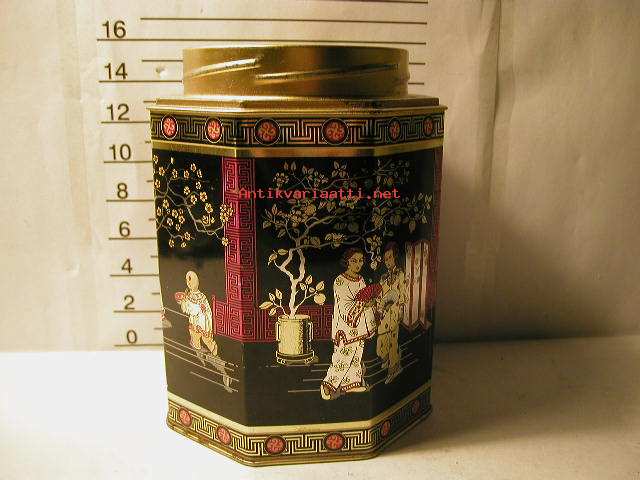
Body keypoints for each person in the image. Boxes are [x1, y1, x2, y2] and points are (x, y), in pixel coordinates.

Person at [321, 248, 379, 400]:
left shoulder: (361, 279)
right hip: (345, 326)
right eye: (354, 261)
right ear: (347, 262)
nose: (357, 264)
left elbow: (364, 297)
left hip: (359, 325)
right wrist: (363, 304)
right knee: (342, 357)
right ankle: (328, 385)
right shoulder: (340, 281)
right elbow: (344, 306)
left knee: (356, 356)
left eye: (360, 261)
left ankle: (351, 383)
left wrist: (369, 304)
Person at [376, 242, 407, 384]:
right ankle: (387, 358)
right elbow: (380, 296)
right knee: (381, 343)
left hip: (394, 312)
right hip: (383, 314)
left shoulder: (400, 274)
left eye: (390, 258)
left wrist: (396, 307)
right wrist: (379, 306)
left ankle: (393, 369)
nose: (387, 261)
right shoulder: (383, 277)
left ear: (395, 257)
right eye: (386, 259)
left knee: (393, 342)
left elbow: (403, 295)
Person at [175, 271, 218, 355]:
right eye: (188, 281)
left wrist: (184, 302)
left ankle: (213, 349)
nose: (189, 283)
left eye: (191, 281)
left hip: (203, 321)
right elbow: (187, 309)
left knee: (206, 338)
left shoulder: (201, 296)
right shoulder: (189, 295)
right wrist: (183, 301)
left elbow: (203, 309)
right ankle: (198, 348)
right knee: (195, 335)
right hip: (195, 321)